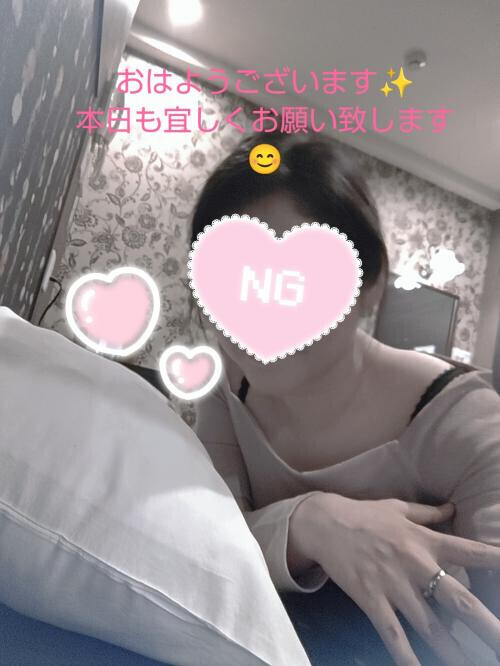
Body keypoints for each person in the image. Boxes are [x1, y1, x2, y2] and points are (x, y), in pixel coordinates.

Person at [189, 132, 500, 666]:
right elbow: (206, 538)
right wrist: (313, 521)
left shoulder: (466, 422)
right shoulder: (229, 386)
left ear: (370, 283)